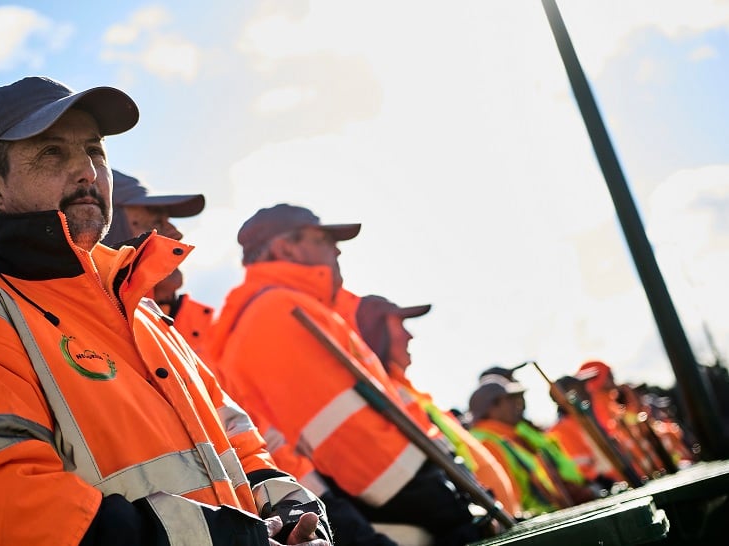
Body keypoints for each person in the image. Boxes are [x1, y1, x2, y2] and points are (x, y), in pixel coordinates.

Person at [0, 76, 330, 546]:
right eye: (52, 152)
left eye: (95, 150)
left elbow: (238, 443)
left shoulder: (145, 314)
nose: (87, 170)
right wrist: (227, 540)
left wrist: (294, 511)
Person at [207, 203, 480, 545]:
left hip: (369, 497)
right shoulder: (279, 310)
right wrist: (435, 494)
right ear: (285, 247)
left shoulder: (264, 312)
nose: (336, 249)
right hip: (400, 489)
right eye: (323, 239)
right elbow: (346, 431)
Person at [350, 294, 522, 519]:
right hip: (474, 522)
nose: (410, 335)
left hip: (494, 519)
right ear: (377, 332)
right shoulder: (386, 398)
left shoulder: (409, 393)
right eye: (400, 324)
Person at [102, 169, 214, 357]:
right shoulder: (102, 337)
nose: (177, 234)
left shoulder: (193, 325)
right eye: (156, 223)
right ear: (111, 233)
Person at [468, 375, 596, 517]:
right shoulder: (488, 443)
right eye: (510, 399)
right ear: (492, 408)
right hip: (536, 524)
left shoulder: (508, 435)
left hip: (548, 517)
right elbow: (511, 502)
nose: (518, 403)